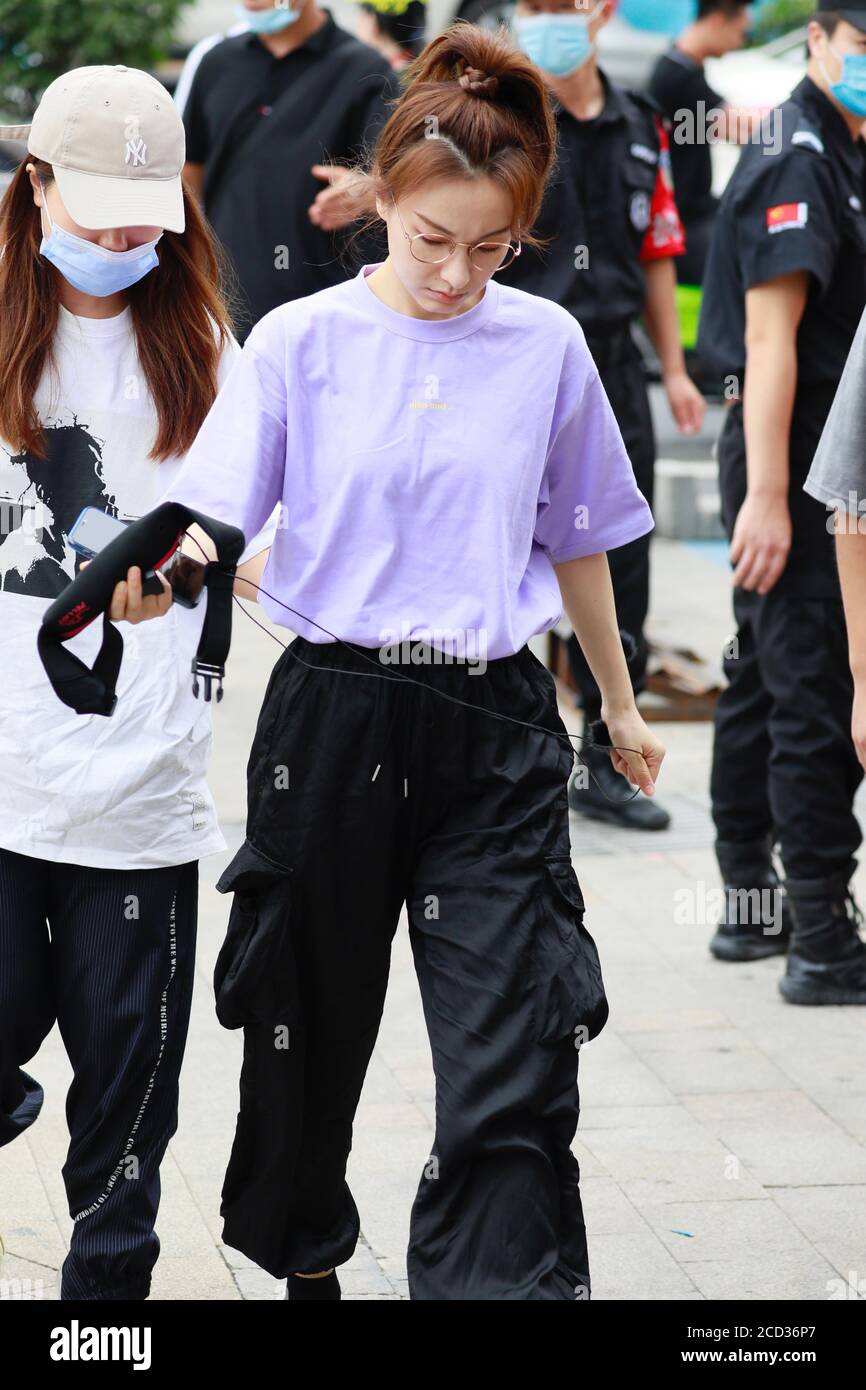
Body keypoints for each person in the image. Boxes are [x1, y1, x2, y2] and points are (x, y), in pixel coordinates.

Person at [136, 21, 666, 1300]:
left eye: (491, 248)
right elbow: (212, 513)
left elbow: (579, 536)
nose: (455, 273)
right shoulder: (300, 343)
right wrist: (169, 576)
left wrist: (615, 699)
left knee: (516, 1038)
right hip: (332, 722)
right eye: (432, 239)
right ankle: (304, 1255)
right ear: (380, 197)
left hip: (493, 725)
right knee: (302, 1024)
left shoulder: (542, 345)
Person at [0, 65, 274, 1299]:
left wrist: (193, 570)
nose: (122, 237)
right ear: (35, 182)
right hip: (2, 789)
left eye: (144, 211)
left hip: (141, 802)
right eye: (96, 205)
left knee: (122, 1144)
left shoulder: (206, 344)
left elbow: (247, 540)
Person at [695, 1, 866, 999]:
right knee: (810, 686)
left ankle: (746, 907)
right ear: (817, 40)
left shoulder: (838, 140)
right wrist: (765, 494)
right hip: (791, 451)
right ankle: (821, 942)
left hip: (812, 447)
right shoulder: (798, 153)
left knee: (764, 672)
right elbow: (769, 342)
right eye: (861, 47)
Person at [502, 0, 705, 832]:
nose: (550, 17)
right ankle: (512, 749)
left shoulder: (638, 120)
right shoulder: (501, 114)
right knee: (505, 547)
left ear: (603, 11)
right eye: (535, 6)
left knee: (620, 555)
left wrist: (680, 371)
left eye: (566, 4)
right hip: (514, 366)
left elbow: (658, 250)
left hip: (615, 365)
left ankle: (604, 754)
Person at [181, 0, 401, 342]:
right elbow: (188, 173)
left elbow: (394, 183)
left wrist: (366, 192)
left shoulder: (366, 72)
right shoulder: (216, 63)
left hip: (320, 315)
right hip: (223, 310)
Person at [649, 0, 756, 288]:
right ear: (719, 21)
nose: (739, 43)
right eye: (741, 32)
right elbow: (745, 129)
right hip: (685, 223)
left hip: (693, 215)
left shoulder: (681, 67)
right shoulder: (678, 76)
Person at [351, 0, 428, 70]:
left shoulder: (376, 76)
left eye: (362, 16)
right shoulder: (424, 67)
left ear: (373, 24)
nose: (358, 23)